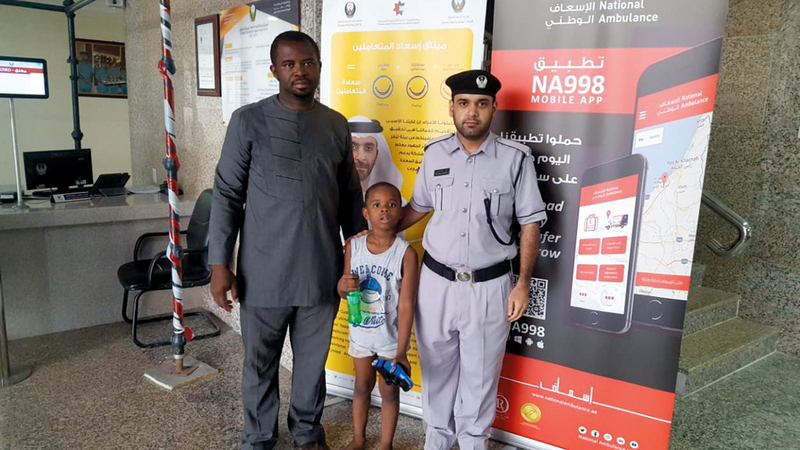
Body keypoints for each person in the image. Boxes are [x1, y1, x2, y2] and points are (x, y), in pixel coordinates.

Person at [208, 31, 365, 450]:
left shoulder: (335, 124)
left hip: (321, 269)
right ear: (274, 70)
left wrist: (361, 257)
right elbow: (227, 193)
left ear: (319, 67)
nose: (300, 71)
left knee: (312, 365)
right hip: (263, 270)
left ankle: (307, 432)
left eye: (308, 62)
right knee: (260, 363)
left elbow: (351, 197)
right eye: (289, 64)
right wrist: (220, 264)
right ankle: (259, 436)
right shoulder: (248, 120)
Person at [397, 70, 548, 449]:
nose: (472, 112)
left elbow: (530, 222)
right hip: (436, 285)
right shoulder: (434, 154)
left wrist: (523, 284)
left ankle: (472, 443)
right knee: (436, 374)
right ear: (451, 107)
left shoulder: (515, 159)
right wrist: (376, 234)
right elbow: (418, 207)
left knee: (480, 381)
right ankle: (437, 443)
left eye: (482, 104)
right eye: (464, 103)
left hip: (490, 287)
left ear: (494, 108)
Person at [337, 182, 419, 450]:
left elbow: (406, 305)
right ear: (366, 213)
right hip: (360, 334)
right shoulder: (354, 246)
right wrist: (342, 286)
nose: (384, 209)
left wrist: (401, 351)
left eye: (392, 205)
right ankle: (358, 438)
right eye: (376, 205)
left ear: (400, 212)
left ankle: (386, 443)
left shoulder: (406, 254)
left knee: (389, 391)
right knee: (361, 386)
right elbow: (343, 290)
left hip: (390, 340)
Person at [348, 116, 404, 195]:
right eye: (352, 147)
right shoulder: (332, 199)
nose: (361, 157)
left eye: (368, 148)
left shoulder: (394, 202)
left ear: (377, 154)